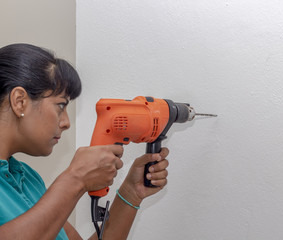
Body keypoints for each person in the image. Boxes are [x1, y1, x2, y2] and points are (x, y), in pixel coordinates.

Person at [0, 43, 169, 240]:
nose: (66, 123)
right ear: (20, 101)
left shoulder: (27, 179)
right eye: (60, 105)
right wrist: (75, 178)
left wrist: (131, 193)